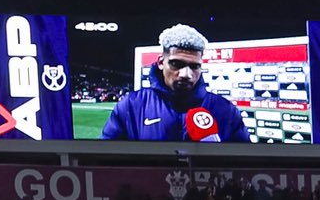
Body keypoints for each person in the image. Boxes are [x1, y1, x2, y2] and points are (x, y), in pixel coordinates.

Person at [99, 24, 252, 143]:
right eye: (176, 64)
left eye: (194, 66)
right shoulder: (131, 105)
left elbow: (245, 163)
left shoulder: (225, 110)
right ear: (161, 62)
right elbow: (105, 159)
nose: (186, 74)